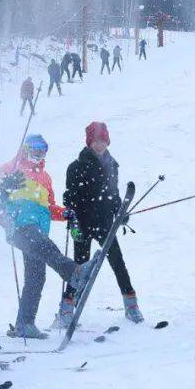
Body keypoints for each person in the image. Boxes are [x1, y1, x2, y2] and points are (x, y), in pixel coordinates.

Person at [0, 135, 91, 338]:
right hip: (20, 226)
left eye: (43, 149)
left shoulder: (45, 178)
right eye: (36, 148)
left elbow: (48, 208)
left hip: (38, 230)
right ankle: (74, 272)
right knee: (48, 250)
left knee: (36, 277)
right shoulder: (11, 168)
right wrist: (5, 218)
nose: (39, 152)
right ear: (26, 148)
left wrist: (64, 213)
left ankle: (25, 323)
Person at [55, 122, 142, 328]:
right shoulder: (76, 166)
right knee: (80, 267)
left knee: (117, 262)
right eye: (96, 141)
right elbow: (71, 196)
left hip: (105, 224)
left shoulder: (112, 165)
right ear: (89, 142)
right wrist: (72, 216)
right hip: (83, 223)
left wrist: (120, 212)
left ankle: (131, 305)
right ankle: (67, 309)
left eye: (103, 141)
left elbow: (113, 195)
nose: (100, 144)